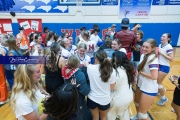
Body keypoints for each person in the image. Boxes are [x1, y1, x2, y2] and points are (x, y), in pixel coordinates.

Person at [132, 38, 159, 120]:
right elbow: (140, 68)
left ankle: (140, 117)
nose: (143, 49)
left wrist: (140, 73)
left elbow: (154, 77)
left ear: (153, 48)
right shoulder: (143, 55)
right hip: (140, 84)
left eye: (147, 47)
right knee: (136, 103)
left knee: (142, 114)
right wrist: (136, 77)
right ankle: (137, 117)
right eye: (143, 46)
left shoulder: (153, 59)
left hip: (149, 88)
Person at [86, 49, 116, 120]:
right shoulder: (112, 71)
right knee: (103, 117)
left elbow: (86, 64)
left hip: (92, 99)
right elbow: (112, 88)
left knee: (95, 117)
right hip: (104, 100)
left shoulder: (90, 68)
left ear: (96, 59)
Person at [62, 54, 90, 120]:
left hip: (68, 99)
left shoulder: (65, 71)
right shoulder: (79, 74)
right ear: (78, 63)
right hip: (77, 101)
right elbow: (85, 91)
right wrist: (89, 83)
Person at [107, 51, 134, 120]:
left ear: (115, 60)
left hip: (118, 99)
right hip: (129, 97)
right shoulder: (126, 68)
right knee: (124, 115)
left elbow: (111, 88)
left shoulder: (115, 72)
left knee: (109, 116)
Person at [157, 33, 174, 106]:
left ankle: (163, 98)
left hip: (164, 67)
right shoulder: (160, 45)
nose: (162, 37)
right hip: (159, 65)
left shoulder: (169, 47)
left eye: (164, 36)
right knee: (156, 82)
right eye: (161, 36)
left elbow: (171, 59)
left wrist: (161, 53)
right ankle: (160, 90)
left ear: (168, 38)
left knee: (158, 83)